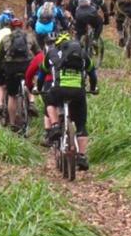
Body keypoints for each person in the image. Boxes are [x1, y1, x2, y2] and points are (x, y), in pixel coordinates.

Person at [41, 32, 98, 170]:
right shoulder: (83, 56)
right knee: (81, 125)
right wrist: (93, 87)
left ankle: (54, 126)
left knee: (49, 102)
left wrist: (38, 87)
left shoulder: (53, 54)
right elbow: (92, 74)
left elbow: (42, 72)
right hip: (78, 93)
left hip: (59, 90)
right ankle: (82, 156)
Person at [0, 18, 37, 131]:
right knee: (30, 83)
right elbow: (38, 52)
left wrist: (0, 68)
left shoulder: (6, 38)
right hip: (26, 65)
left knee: (12, 96)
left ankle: (13, 122)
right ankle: (32, 102)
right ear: (22, 26)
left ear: (11, 27)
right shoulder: (29, 36)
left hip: (11, 67)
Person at [25, 32, 57, 146]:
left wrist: (30, 87)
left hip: (47, 84)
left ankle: (49, 134)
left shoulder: (41, 56)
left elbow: (29, 74)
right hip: (66, 83)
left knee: (48, 106)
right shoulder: (64, 54)